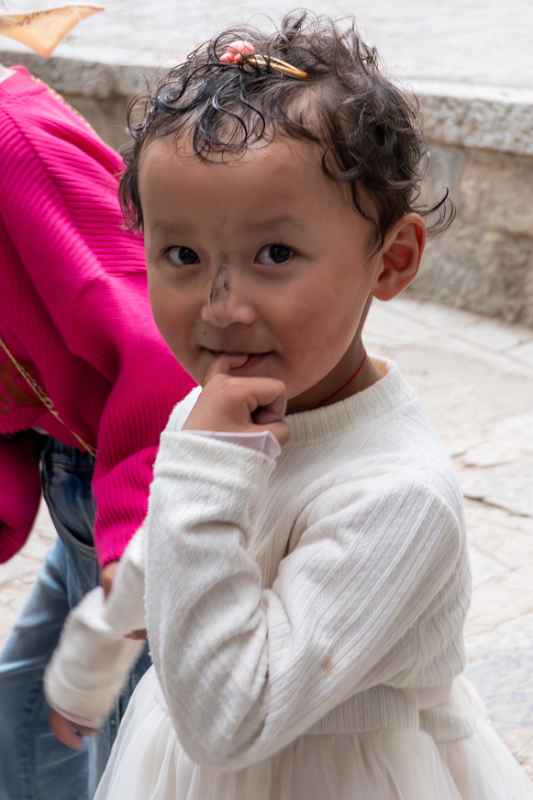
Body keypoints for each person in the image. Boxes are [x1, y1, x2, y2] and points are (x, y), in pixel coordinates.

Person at [44, 12, 533, 799]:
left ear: (392, 259)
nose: (222, 305)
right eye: (182, 255)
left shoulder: (394, 494)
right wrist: (96, 651)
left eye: (274, 254)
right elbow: (171, 545)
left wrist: (205, 466)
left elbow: (230, 720)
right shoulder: (217, 418)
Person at [0, 6, 194, 800]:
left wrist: (129, 549)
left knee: (129, 745)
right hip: (76, 468)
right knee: (25, 707)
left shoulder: (16, 142)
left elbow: (159, 345)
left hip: (140, 482)